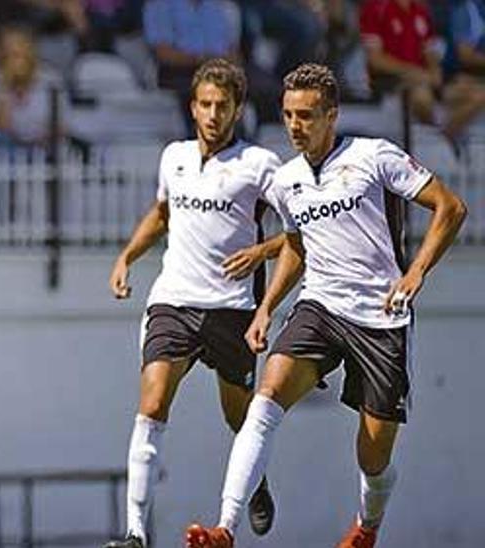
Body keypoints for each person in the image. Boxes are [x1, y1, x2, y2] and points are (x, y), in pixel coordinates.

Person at [184, 63, 468, 548]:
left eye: (307, 115)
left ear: (332, 115)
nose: (296, 125)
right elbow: (296, 245)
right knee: (267, 396)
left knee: (373, 456)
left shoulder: (374, 156)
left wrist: (417, 270)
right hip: (321, 305)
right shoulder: (286, 179)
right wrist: (267, 307)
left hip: (381, 314)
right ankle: (225, 527)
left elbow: (450, 206)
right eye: (289, 115)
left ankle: (366, 526)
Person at [103, 58, 283, 548]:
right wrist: (127, 256)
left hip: (232, 310)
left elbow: (300, 231)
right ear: (192, 106)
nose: (212, 114)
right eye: (205, 104)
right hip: (174, 301)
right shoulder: (174, 156)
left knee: (237, 417)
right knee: (152, 403)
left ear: (237, 109)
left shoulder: (259, 165)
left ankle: (257, 481)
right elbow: (162, 213)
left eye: (222, 106)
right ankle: (136, 534)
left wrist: (262, 251)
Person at [360, 0, 485, 141]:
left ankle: (448, 128)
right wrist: (412, 72)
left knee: (477, 91)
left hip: (424, 79)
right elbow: (375, 60)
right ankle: (441, 132)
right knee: (421, 95)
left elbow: (430, 51)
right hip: (392, 81)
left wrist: (435, 70)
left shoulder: (420, 10)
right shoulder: (376, 8)